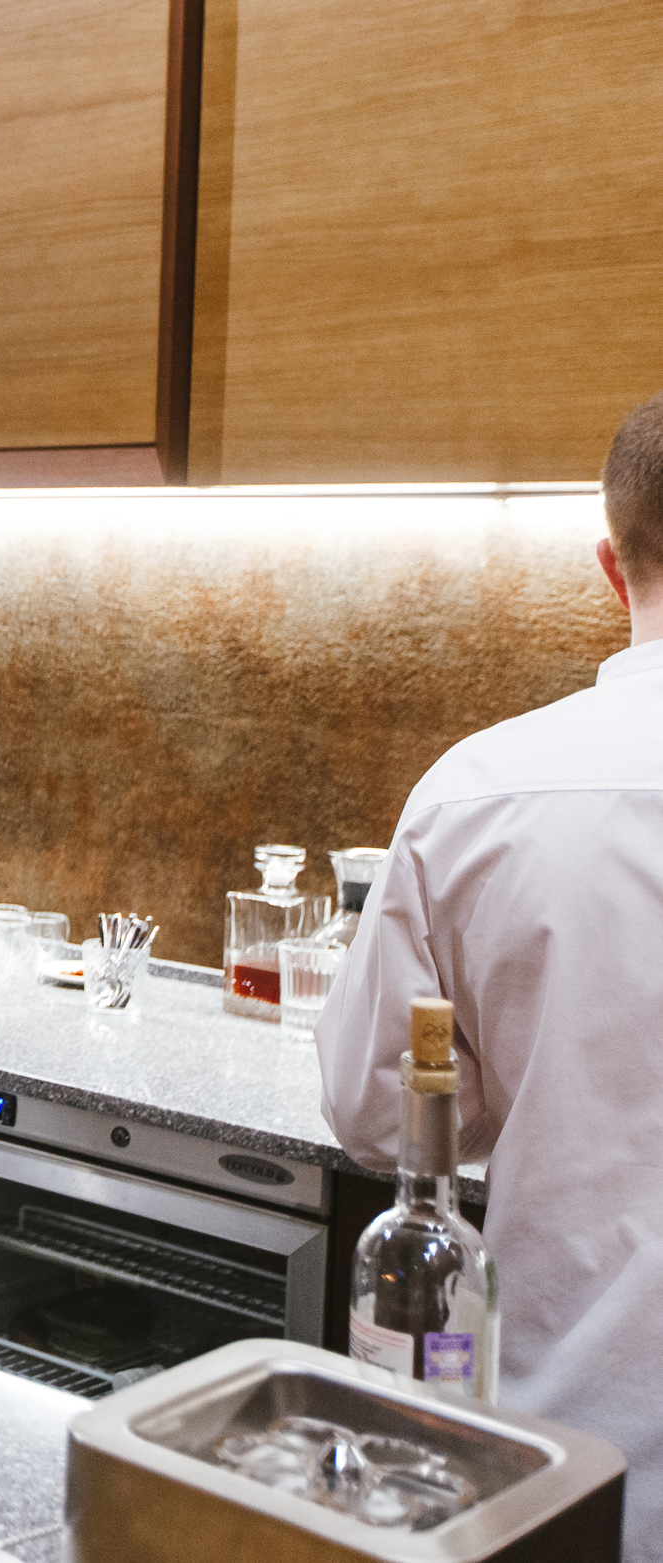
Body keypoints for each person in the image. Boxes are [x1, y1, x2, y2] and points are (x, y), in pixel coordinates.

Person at [319, 390, 663, 1559]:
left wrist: (536, 1069)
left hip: (554, 1467)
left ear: (610, 566)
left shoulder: (473, 793)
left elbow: (374, 1107)